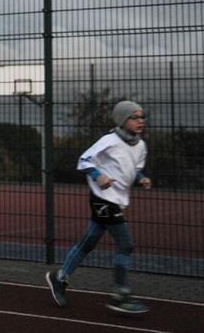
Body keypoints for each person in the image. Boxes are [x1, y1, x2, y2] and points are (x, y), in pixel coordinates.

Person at [46, 100, 152, 314]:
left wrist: (141, 178)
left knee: (89, 242)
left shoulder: (140, 145)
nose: (140, 121)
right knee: (126, 244)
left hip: (116, 199)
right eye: (134, 117)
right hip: (103, 198)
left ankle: (60, 278)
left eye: (142, 117)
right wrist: (98, 175)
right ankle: (119, 295)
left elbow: (134, 168)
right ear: (123, 120)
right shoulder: (109, 140)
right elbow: (84, 160)